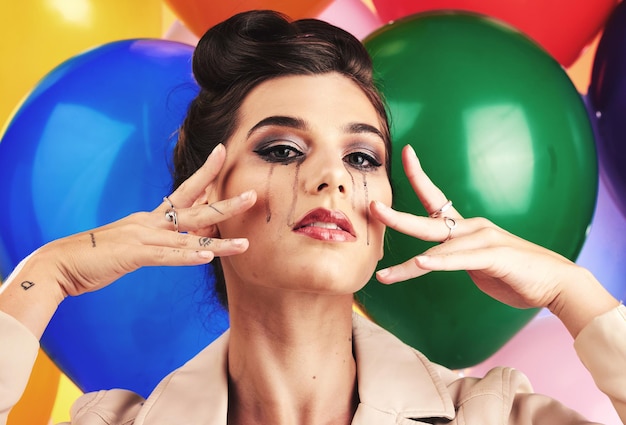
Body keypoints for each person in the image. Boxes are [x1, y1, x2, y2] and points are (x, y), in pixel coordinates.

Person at [1, 9, 625, 425]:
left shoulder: (495, 416)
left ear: (381, 224)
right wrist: (47, 274)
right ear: (206, 202)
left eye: (361, 156)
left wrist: (574, 293)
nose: (332, 178)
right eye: (282, 149)